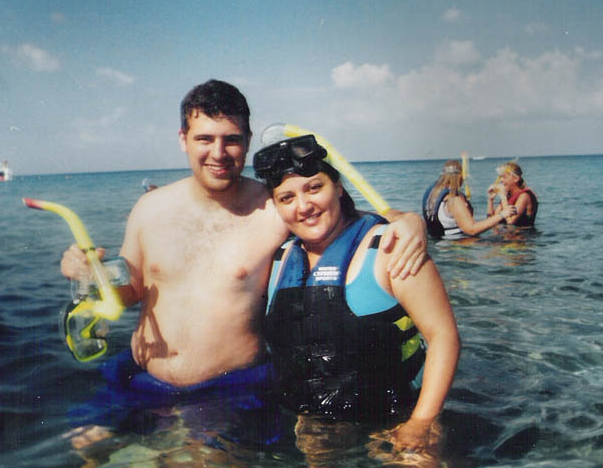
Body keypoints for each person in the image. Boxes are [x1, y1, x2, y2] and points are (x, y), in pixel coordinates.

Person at [58, 80, 427, 445]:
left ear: (247, 142)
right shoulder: (149, 209)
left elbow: (346, 220)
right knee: (89, 456)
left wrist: (409, 221)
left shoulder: (274, 208)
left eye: (231, 139)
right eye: (205, 138)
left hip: (228, 393)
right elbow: (131, 291)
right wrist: (90, 275)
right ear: (183, 139)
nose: (218, 153)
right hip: (141, 381)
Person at [254, 135, 461, 453]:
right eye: (287, 198)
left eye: (314, 188)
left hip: (397, 419)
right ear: (276, 206)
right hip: (310, 427)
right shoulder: (277, 261)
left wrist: (420, 425)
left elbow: (443, 336)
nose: (304, 206)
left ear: (337, 187)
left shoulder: (392, 248)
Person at [422, 160, 516, 240]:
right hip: (458, 247)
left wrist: (490, 200)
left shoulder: (434, 193)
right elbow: (472, 230)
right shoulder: (454, 200)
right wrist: (503, 214)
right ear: (459, 177)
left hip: (442, 245)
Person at [487, 161, 538, 227]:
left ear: (516, 179)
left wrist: (503, 197)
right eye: (500, 177)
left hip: (523, 236)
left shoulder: (524, 196)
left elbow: (510, 221)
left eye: (504, 177)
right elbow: (491, 221)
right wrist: (490, 200)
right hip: (507, 235)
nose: (501, 180)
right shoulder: (507, 196)